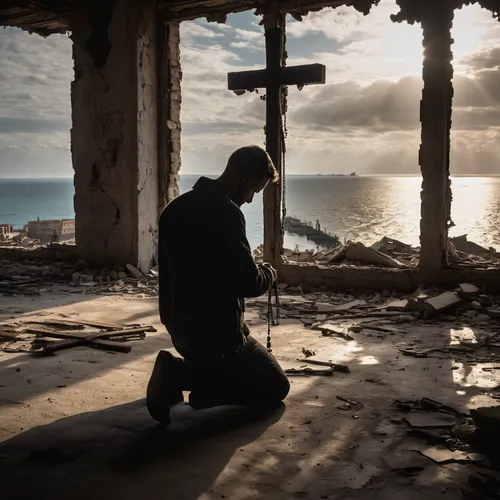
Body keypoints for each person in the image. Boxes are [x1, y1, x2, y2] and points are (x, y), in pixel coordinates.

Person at [146, 145, 290, 424]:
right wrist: (269, 274)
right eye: (253, 191)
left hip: (181, 332)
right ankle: (189, 381)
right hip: (219, 339)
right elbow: (249, 283)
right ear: (244, 178)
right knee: (276, 385)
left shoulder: (175, 208)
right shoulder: (226, 213)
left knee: (243, 364)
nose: (249, 200)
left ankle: (190, 375)